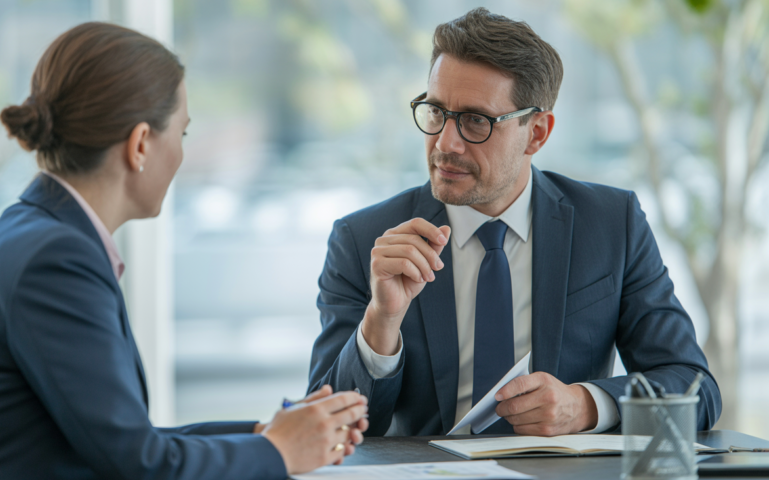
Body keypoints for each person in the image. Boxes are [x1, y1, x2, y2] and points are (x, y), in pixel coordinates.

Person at [0, 22, 367, 480]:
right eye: (182, 134)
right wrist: (278, 452)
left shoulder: (36, 232)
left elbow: (127, 441)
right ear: (140, 144)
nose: (181, 154)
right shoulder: (55, 258)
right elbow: (139, 466)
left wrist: (269, 433)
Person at [308, 8, 721, 437]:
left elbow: (695, 390)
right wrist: (381, 321)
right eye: (435, 112)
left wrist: (586, 405)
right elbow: (324, 430)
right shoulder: (363, 241)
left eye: (475, 121)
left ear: (537, 133)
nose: (445, 143)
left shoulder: (613, 225)